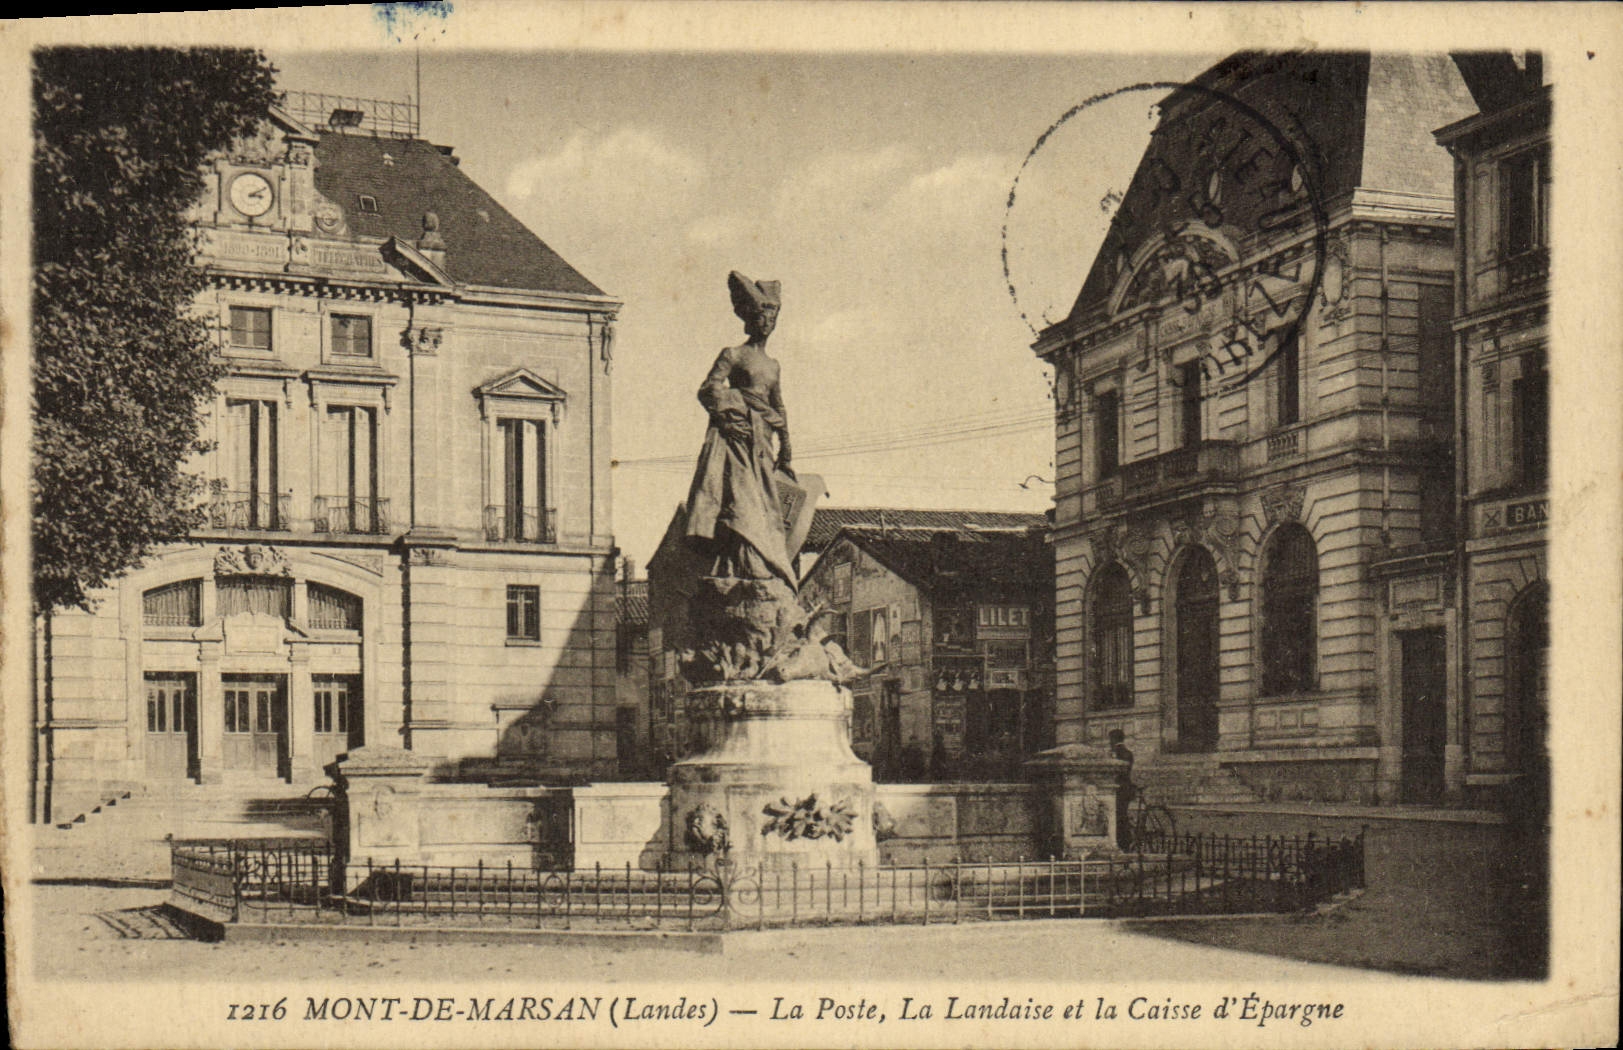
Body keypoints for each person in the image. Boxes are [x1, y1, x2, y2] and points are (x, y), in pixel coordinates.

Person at [683, 271, 795, 589]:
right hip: (736, 441)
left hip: (763, 442)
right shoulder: (733, 355)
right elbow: (708, 389)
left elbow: (779, 406)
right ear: (750, 318)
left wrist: (787, 447)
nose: (766, 323)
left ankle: (762, 564)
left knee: (765, 507)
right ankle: (743, 565)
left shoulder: (773, 365)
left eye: (771, 318)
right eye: (761, 316)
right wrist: (731, 414)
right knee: (740, 503)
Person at [1109, 728, 1135, 849]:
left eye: (1110, 739)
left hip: (1121, 789)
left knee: (1120, 816)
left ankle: (1124, 842)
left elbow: (1119, 772)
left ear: (1114, 740)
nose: (1109, 742)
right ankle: (1124, 840)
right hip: (1126, 788)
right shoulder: (1128, 752)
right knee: (1121, 814)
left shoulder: (1118, 753)